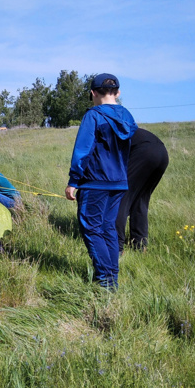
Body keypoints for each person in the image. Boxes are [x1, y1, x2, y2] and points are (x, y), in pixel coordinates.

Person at [65, 73, 137, 290]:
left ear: (93, 93)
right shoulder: (128, 117)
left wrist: (73, 181)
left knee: (92, 228)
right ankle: (111, 278)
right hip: (119, 183)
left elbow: (83, 150)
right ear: (118, 93)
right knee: (107, 229)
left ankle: (105, 282)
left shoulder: (93, 116)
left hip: (95, 182)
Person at [116, 128, 169, 253]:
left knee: (120, 199)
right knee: (141, 201)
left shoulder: (107, 133)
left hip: (144, 152)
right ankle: (140, 245)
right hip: (162, 153)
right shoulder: (126, 129)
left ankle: (116, 247)